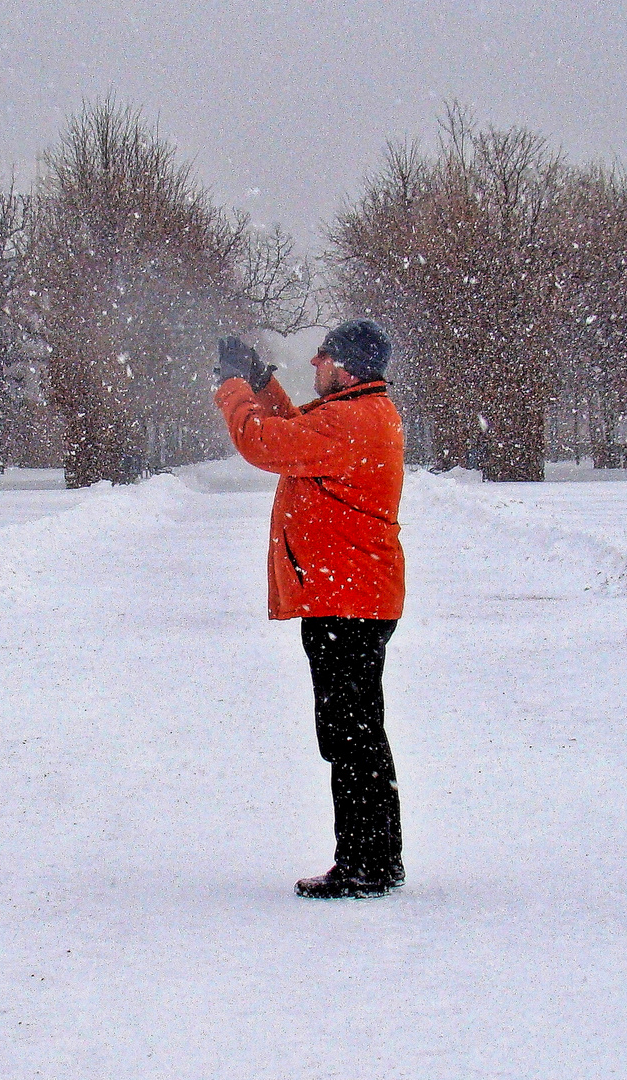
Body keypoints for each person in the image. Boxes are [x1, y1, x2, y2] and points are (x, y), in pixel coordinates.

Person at [212, 319, 406, 899]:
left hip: (346, 602)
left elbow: (265, 443)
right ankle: (378, 858)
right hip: (353, 597)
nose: (314, 362)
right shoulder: (358, 414)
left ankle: (366, 866)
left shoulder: (350, 421)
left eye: (323, 356)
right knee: (358, 734)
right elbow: (301, 430)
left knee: (350, 738)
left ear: (344, 366)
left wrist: (233, 388)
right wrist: (264, 383)